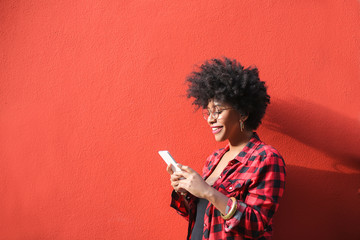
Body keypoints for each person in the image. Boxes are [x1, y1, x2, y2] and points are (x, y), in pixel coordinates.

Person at [167, 57, 286, 240]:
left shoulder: (266, 158)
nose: (210, 119)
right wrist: (186, 191)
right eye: (208, 112)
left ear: (244, 113)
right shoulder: (214, 159)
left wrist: (207, 191)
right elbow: (204, 217)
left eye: (218, 111)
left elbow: (257, 224)